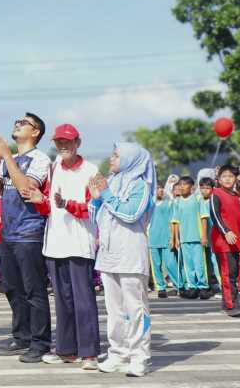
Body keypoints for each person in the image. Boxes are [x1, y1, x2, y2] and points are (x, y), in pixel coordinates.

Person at [29, 124, 100, 371]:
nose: (63, 146)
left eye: (67, 141)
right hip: (55, 242)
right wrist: (40, 201)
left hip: (80, 243)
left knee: (84, 300)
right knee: (62, 300)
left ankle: (89, 352)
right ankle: (66, 349)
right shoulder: (52, 167)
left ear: (78, 142)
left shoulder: (92, 171)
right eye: (59, 142)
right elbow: (48, 205)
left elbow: (93, 209)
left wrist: (67, 203)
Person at [0, 114, 53, 363]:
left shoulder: (41, 159)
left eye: (24, 122)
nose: (17, 123)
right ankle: (22, 336)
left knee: (34, 290)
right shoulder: (10, 160)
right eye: (16, 120)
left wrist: (5, 156)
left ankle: (40, 342)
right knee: (12, 288)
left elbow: (26, 188)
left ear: (35, 132)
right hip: (8, 232)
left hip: (29, 232)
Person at [88, 141, 156, 377]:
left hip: (130, 253)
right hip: (108, 254)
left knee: (135, 308)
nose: (112, 159)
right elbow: (98, 217)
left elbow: (131, 214)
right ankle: (118, 353)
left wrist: (105, 194)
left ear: (130, 160)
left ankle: (139, 356)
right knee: (114, 309)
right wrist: (96, 199)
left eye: (116, 155)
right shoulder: (112, 182)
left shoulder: (141, 185)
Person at [209, 164, 240, 317]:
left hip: (236, 239)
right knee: (227, 273)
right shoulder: (215, 193)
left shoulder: (236, 196)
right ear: (218, 179)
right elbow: (215, 215)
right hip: (223, 240)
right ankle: (231, 306)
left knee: (234, 273)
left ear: (236, 178)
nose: (227, 179)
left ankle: (229, 302)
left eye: (231, 176)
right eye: (224, 176)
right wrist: (226, 231)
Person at [172, 176, 209, 299]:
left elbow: (204, 217)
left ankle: (203, 287)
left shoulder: (198, 199)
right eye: (180, 184)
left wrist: (204, 235)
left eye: (184, 184)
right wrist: (176, 238)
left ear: (191, 186)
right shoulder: (177, 201)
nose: (181, 187)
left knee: (199, 264)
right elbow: (175, 221)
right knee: (188, 265)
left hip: (197, 238)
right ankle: (192, 287)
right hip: (184, 238)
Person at [148, 183, 180, 298]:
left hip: (167, 238)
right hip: (152, 238)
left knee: (171, 263)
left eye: (161, 188)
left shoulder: (169, 203)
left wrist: (173, 237)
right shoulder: (148, 205)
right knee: (156, 265)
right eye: (157, 188)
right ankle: (160, 287)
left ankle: (179, 286)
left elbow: (173, 220)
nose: (160, 190)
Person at [198, 176, 219, 299]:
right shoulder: (200, 200)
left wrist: (204, 236)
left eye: (207, 188)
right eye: (202, 188)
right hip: (205, 236)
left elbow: (205, 219)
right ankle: (212, 284)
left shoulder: (213, 200)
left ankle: (222, 286)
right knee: (208, 262)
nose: (204, 190)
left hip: (213, 235)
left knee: (215, 261)